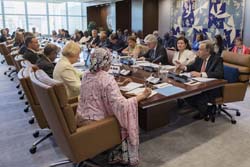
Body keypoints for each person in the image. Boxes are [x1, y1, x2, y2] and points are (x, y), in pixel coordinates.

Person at [76, 48, 152, 166]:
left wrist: (119, 84)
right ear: (106, 62)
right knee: (122, 118)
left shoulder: (86, 74)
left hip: (81, 118)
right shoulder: (107, 78)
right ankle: (118, 153)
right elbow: (122, 106)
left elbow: (97, 89)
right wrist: (143, 95)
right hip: (98, 125)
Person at [176, 40, 224, 120]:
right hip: (200, 83)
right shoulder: (200, 58)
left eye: (200, 49)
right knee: (185, 90)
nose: (198, 51)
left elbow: (219, 73)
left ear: (207, 51)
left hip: (212, 87)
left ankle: (205, 111)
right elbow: (192, 67)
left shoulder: (217, 59)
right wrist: (183, 67)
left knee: (198, 94)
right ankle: (200, 108)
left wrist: (201, 74)